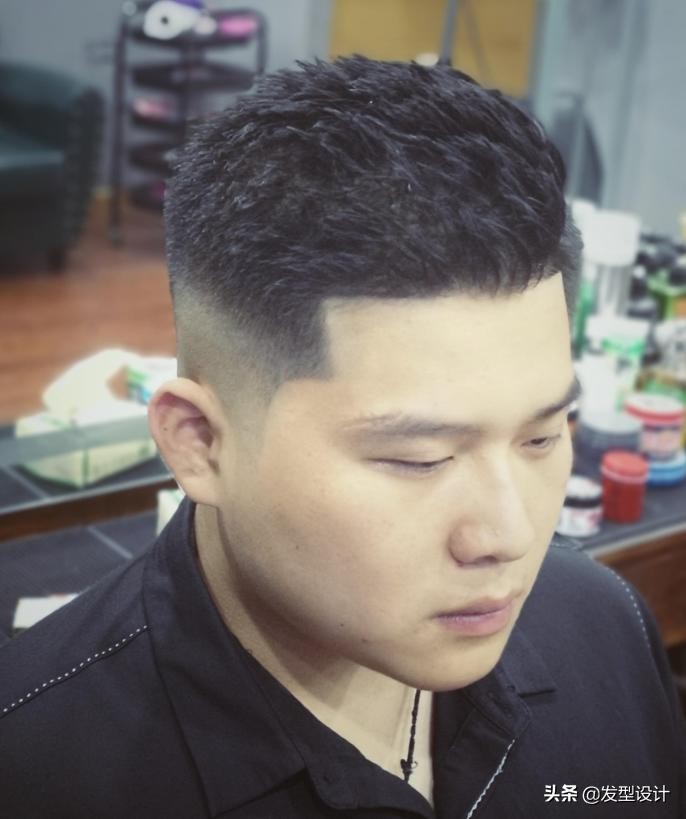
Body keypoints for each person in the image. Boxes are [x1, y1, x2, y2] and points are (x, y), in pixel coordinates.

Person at [1, 56, 684, 818]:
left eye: (542, 437)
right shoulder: (31, 767)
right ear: (199, 442)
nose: (509, 536)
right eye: (420, 459)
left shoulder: (606, 630)